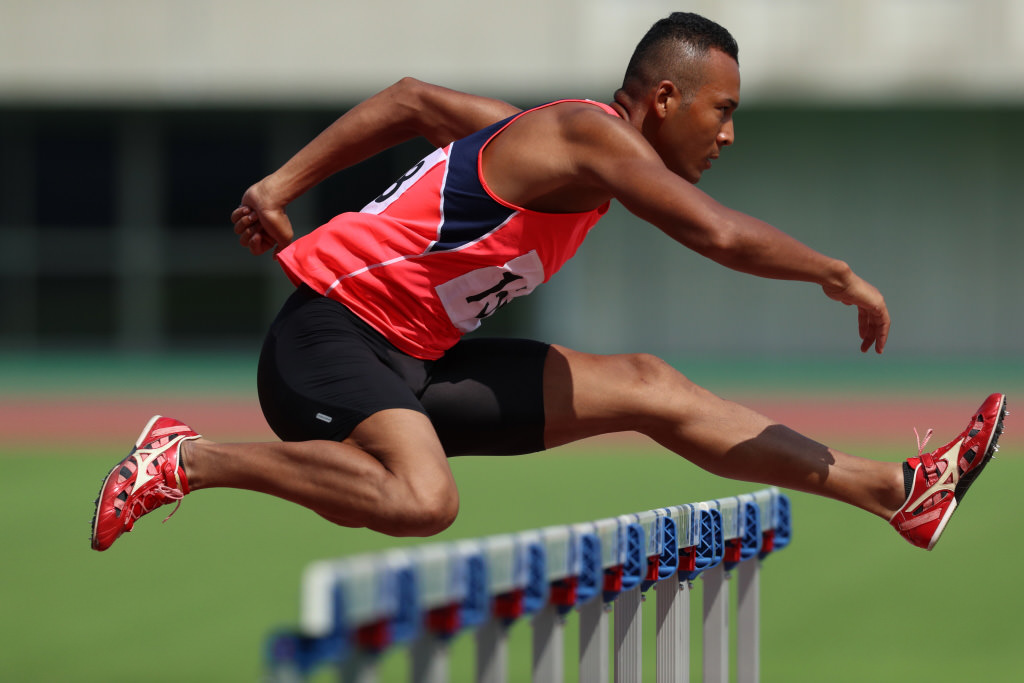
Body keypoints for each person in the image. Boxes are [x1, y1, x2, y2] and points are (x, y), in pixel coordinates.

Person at [91, 12, 1005, 553]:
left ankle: (899, 492)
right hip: (328, 335)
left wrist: (277, 188)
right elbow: (716, 233)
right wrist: (838, 273)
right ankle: (183, 459)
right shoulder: (582, 133)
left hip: (419, 361)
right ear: (663, 101)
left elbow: (414, 101)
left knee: (651, 385)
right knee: (424, 498)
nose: (728, 135)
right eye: (722, 111)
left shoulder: (535, 135)